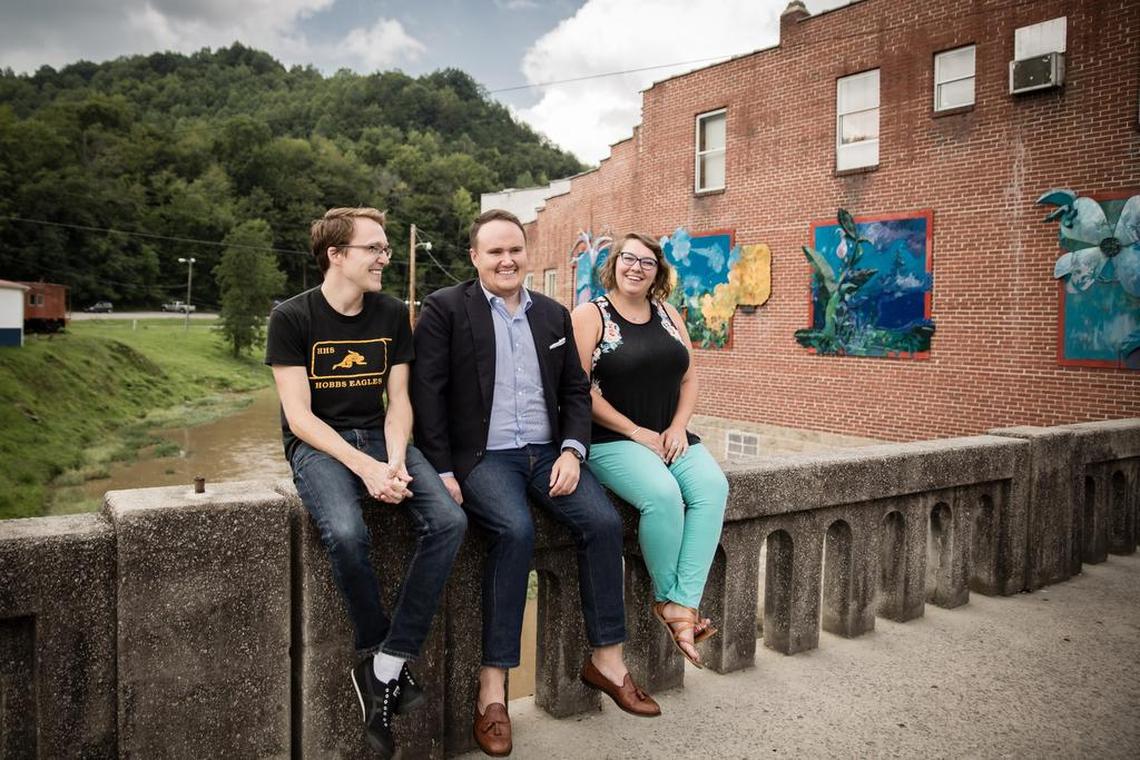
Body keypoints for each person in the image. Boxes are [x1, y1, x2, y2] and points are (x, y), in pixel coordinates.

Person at [411, 209, 660, 758]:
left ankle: (607, 661)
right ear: (475, 257)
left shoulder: (552, 315)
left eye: (515, 250)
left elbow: (576, 391)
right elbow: (425, 395)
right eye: (494, 251)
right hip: (482, 458)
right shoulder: (445, 310)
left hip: (549, 454)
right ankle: (493, 688)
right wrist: (444, 470)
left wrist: (573, 449)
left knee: (601, 522)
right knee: (515, 532)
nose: (507, 260)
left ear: (526, 254)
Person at [266, 207, 466, 759]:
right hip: (319, 444)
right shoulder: (291, 317)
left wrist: (396, 460)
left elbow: (398, 402)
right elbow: (300, 419)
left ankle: (383, 665)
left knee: (449, 521)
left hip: (381, 436)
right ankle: (380, 652)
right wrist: (366, 470)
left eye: (384, 248)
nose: (385, 258)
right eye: (373, 249)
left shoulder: (391, 313)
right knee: (349, 535)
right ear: (336, 255)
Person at [570, 232, 728, 669]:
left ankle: (681, 604)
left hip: (669, 435)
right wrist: (634, 430)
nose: (635, 267)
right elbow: (578, 389)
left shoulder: (670, 313)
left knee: (712, 487)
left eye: (647, 262)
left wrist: (678, 427)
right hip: (613, 439)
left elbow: (690, 379)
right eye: (628, 258)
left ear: (658, 271)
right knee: (662, 495)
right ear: (614, 263)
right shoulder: (590, 315)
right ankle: (666, 597)